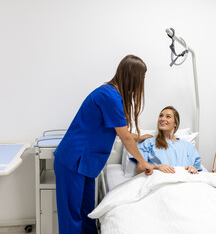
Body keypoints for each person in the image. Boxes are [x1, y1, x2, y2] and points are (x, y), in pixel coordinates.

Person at [53, 55, 154, 234]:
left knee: (87, 214)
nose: (142, 84)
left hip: (86, 163)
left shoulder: (112, 95)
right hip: (73, 160)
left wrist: (138, 137)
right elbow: (124, 137)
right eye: (142, 79)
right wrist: (143, 162)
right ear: (133, 77)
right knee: (72, 217)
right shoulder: (110, 96)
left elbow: (118, 130)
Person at [133, 106, 202, 174]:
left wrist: (192, 169)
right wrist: (157, 167)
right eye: (161, 116)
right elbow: (139, 169)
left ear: (175, 123)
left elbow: (197, 171)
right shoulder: (148, 142)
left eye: (168, 116)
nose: (162, 119)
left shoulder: (188, 146)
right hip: (159, 180)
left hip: (184, 181)